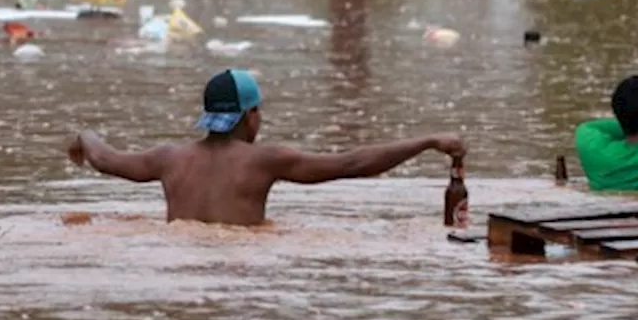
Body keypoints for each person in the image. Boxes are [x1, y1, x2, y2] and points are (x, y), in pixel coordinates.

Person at [67, 68, 466, 226]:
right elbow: (353, 163)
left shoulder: (169, 158)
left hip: (180, 259)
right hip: (242, 265)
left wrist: (83, 137)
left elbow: (105, 158)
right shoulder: (264, 160)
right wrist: (427, 141)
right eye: (258, 111)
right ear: (248, 116)